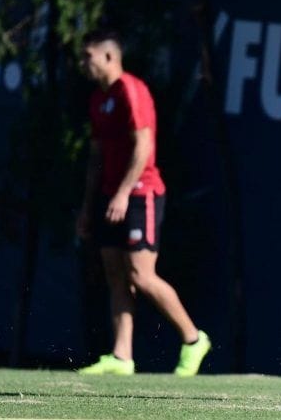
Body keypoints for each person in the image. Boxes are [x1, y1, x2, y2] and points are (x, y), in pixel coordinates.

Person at [76, 30, 211, 376]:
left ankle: (194, 339)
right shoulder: (97, 99)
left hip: (141, 193)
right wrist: (88, 207)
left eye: (88, 56)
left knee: (141, 274)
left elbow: (143, 146)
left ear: (109, 57)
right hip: (110, 196)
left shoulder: (130, 90)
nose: (83, 64)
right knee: (116, 274)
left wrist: (123, 193)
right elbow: (95, 158)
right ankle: (122, 357)